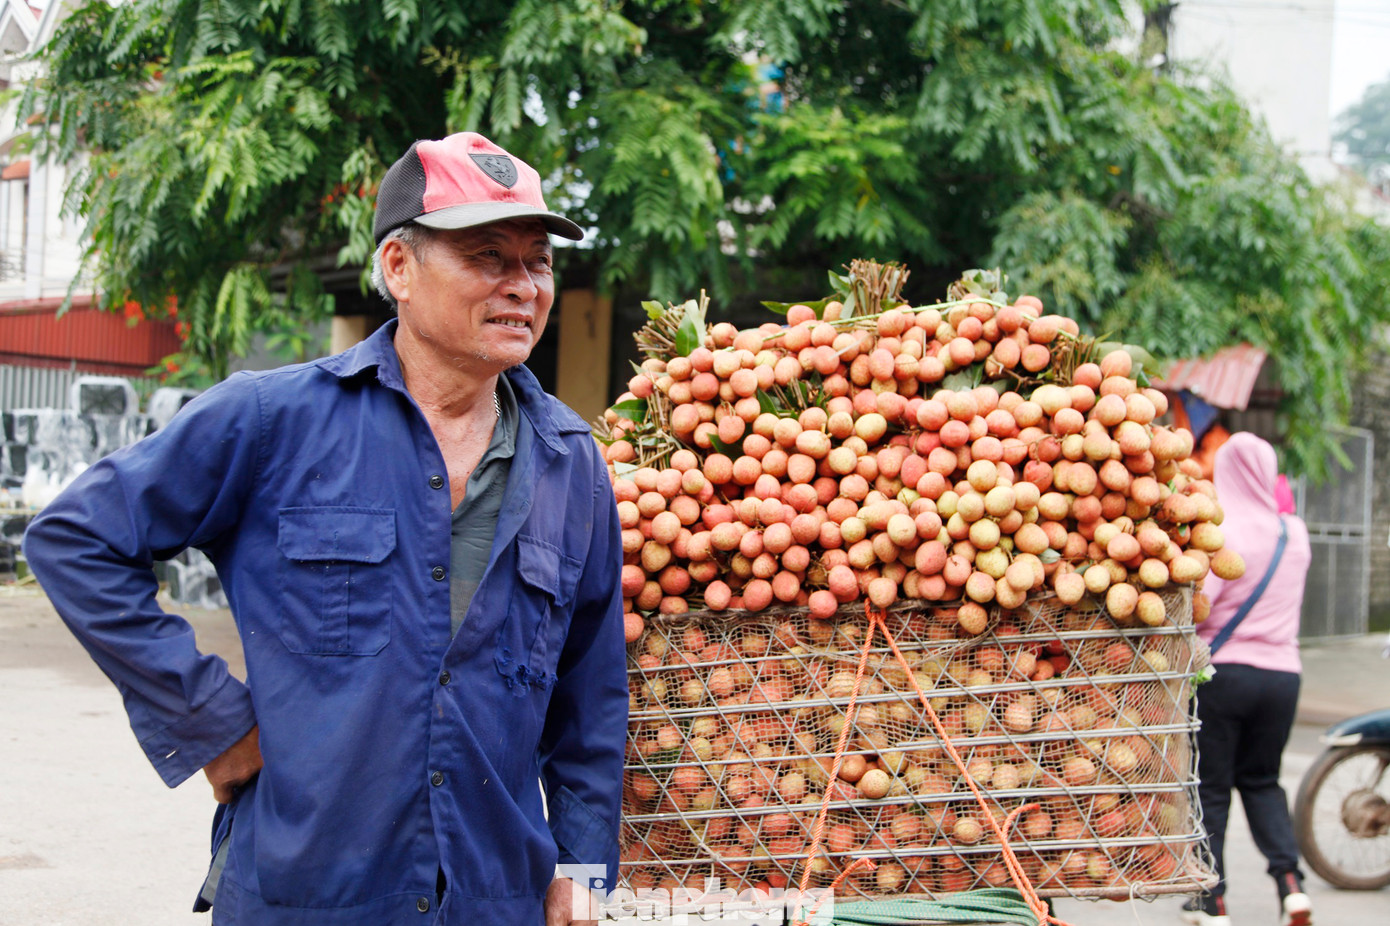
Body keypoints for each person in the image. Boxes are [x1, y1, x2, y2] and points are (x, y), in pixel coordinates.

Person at [22, 131, 628, 925]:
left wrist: (582, 867)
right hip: (305, 892)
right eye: (489, 256)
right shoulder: (274, 419)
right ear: (399, 268)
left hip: (494, 898)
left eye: (537, 262)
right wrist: (211, 721)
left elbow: (591, 696)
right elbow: (76, 539)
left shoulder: (571, 462)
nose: (524, 286)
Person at [1183, 432, 1313, 926]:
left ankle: (1210, 900)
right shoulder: (1293, 533)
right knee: (1263, 782)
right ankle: (1291, 886)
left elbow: (1202, 607)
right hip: (1284, 677)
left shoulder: (1224, 533)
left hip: (1226, 674)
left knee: (1212, 787)